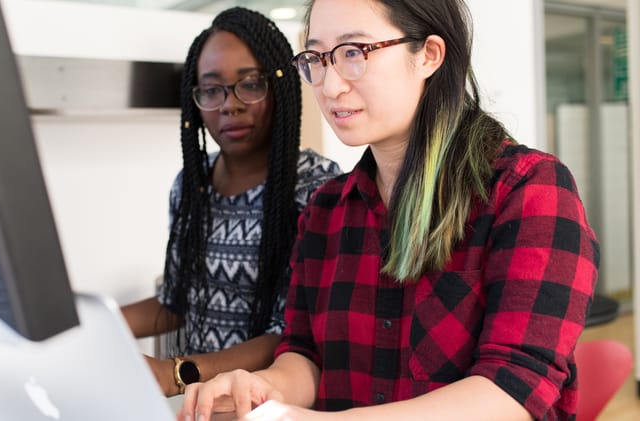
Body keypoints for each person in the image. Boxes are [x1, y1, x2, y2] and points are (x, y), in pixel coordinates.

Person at [178, 0, 599, 420]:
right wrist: (265, 388)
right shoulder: (326, 210)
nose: (330, 86)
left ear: (429, 55)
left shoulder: (528, 189)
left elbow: (513, 389)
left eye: (353, 53)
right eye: (317, 58)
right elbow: (305, 355)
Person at [121, 7, 342, 397]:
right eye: (211, 89)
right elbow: (176, 301)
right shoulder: (192, 185)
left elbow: (292, 334)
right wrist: (92, 326)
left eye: (250, 84)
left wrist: (176, 374)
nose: (230, 104)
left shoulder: (316, 188)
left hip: (269, 404)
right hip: (200, 404)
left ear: (279, 88)